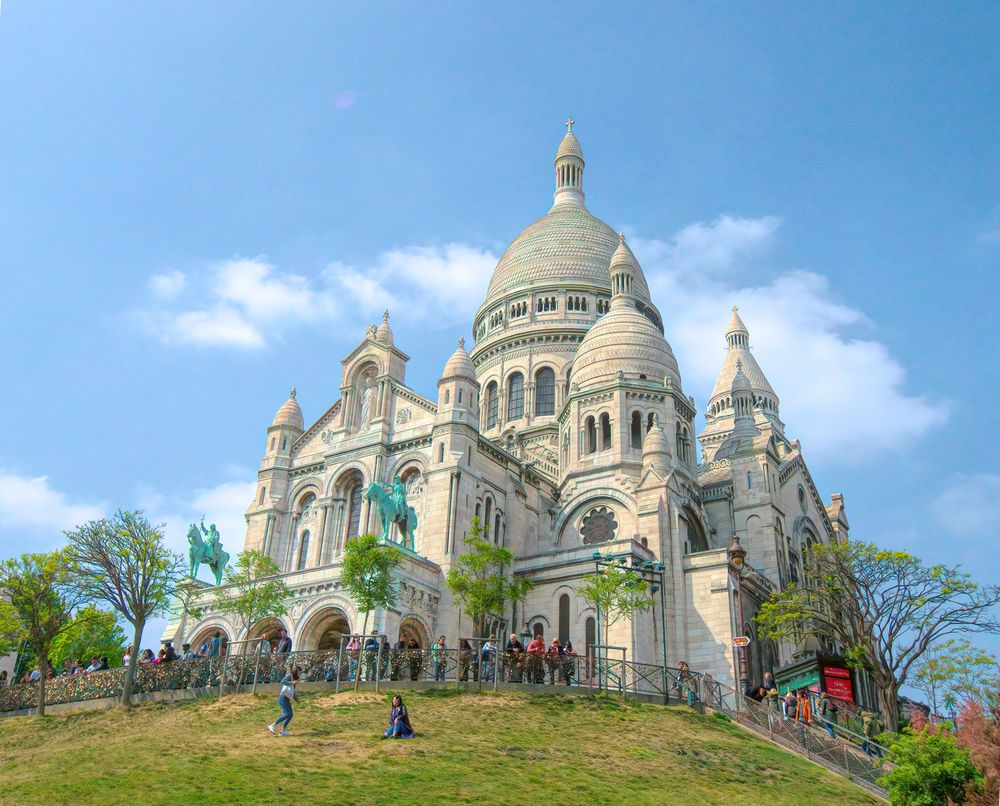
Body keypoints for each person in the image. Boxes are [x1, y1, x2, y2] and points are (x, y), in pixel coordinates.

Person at [267, 667, 300, 736]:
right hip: (283, 698)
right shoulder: (290, 676)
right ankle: (272, 725)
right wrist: (291, 682)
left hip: (286, 698)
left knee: (290, 715)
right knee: (288, 714)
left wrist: (297, 700)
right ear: (295, 671)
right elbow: (282, 681)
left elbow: (292, 692)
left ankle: (282, 732)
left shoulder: (294, 680)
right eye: (298, 671)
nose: (299, 673)